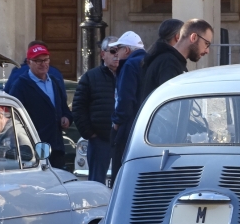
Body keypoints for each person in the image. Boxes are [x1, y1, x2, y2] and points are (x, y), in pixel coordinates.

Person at [8, 43, 72, 169]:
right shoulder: (21, 85)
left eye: (46, 60)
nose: (43, 64)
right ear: (29, 62)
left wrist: (66, 117)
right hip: (34, 147)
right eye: (38, 61)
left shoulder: (54, 81)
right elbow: (13, 116)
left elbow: (64, 108)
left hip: (56, 146)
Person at [72, 36, 119, 184]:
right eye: (112, 51)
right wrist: (90, 133)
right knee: (96, 183)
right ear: (103, 54)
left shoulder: (128, 75)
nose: (116, 55)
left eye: (120, 50)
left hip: (122, 139)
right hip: (100, 140)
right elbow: (79, 107)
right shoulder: (91, 77)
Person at [139, 18, 213, 104]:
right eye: (206, 44)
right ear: (193, 37)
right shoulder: (168, 63)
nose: (207, 51)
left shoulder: (173, 61)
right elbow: (170, 106)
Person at [110, 31, 146, 186]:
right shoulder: (146, 61)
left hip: (128, 124)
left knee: (121, 171)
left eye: (118, 49)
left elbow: (126, 98)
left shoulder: (129, 65)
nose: (116, 53)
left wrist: (117, 122)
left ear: (127, 50)